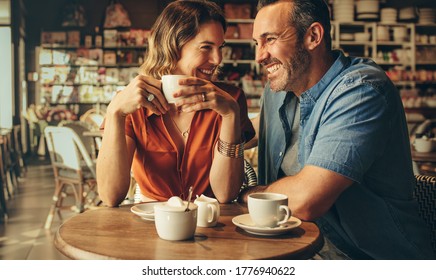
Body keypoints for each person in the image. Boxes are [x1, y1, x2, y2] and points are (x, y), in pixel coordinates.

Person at [242, 0, 434, 259]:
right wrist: (188, 108)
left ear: (313, 36)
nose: (259, 56)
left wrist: (247, 194)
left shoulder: (361, 90)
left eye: (270, 39)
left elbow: (306, 200)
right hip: (301, 252)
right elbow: (250, 131)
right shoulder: (279, 90)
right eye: (257, 43)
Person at [97, 0, 255, 206]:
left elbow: (225, 193)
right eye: (206, 47)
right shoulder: (133, 103)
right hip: (151, 224)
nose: (217, 59)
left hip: (213, 227)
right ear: (172, 46)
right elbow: (110, 196)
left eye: (220, 47)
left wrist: (231, 115)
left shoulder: (230, 100)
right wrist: (115, 113)